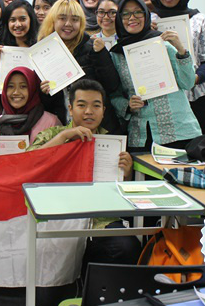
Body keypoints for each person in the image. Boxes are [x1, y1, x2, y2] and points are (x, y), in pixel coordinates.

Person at [28, 79, 140, 269]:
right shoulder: (54, 134)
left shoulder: (112, 143)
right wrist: (64, 137)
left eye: (96, 106)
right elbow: (28, 163)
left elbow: (123, 192)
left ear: (104, 110)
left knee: (128, 247)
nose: (89, 111)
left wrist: (127, 173)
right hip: (60, 217)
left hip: (101, 219)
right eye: (82, 105)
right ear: (70, 109)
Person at [109, 0, 201, 152]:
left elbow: (188, 82)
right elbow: (113, 95)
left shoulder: (163, 44)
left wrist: (180, 50)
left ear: (146, 15)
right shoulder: (116, 55)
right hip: (140, 135)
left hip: (178, 131)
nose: (132, 18)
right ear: (119, 19)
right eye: (126, 14)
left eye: (138, 12)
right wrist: (127, 105)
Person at [151, 0, 205, 133]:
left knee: (195, 153)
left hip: (196, 98)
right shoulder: (148, 21)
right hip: (161, 100)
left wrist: (192, 79)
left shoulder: (199, 20)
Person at [38, 0, 122, 131]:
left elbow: (112, 85)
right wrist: (44, 92)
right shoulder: (43, 52)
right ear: (53, 21)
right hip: (62, 126)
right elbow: (46, 105)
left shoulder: (92, 47)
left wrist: (101, 54)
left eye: (75, 20)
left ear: (81, 23)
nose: (68, 24)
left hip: (98, 127)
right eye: (62, 18)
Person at [0, 67, 61, 145]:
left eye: (23, 86)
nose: (16, 92)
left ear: (33, 89)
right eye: (10, 86)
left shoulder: (51, 122)